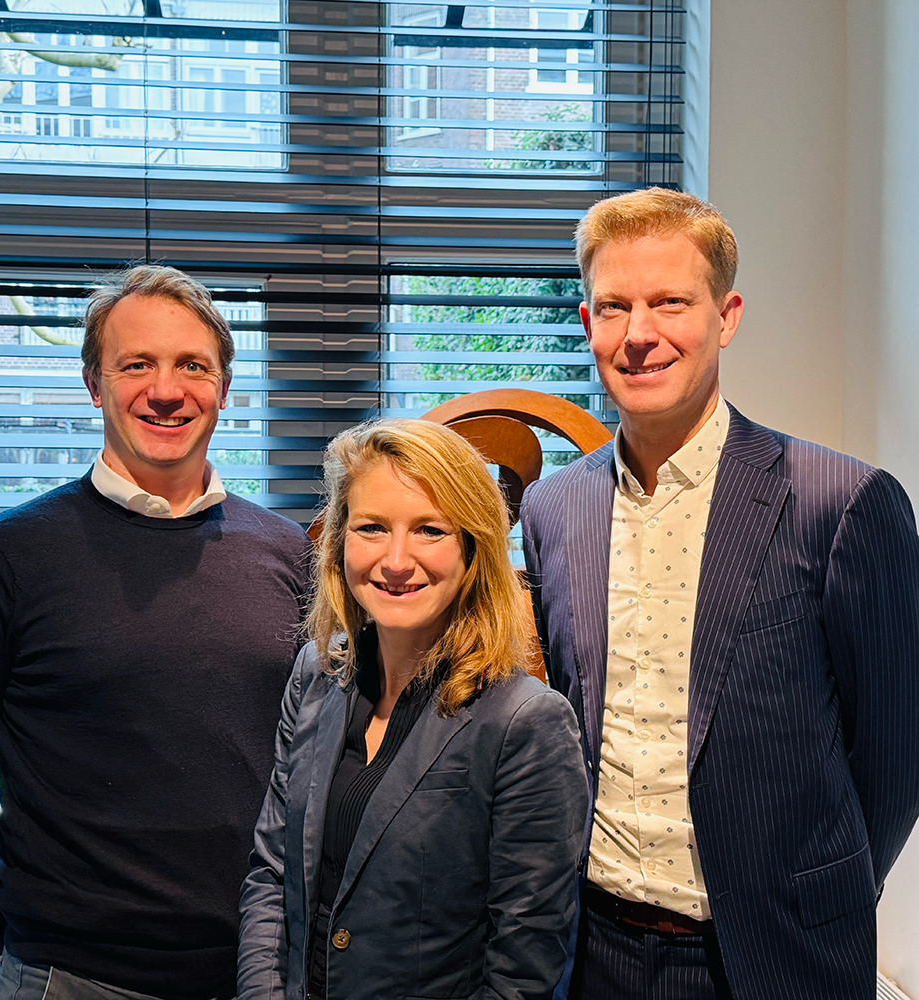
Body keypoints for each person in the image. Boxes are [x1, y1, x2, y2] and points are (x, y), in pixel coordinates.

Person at [520, 188, 919, 1000]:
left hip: (777, 960)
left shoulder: (840, 504)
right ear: (587, 322)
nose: (639, 334)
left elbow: (895, 756)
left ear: (727, 316)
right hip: (592, 956)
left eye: (671, 302)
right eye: (613, 306)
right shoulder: (551, 510)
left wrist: (820, 896)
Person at [0, 265, 311, 1000]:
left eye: (192, 365)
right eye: (136, 365)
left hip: (262, 978)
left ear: (225, 387)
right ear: (94, 385)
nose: (166, 390)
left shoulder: (292, 555)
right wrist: (28, 926)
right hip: (73, 981)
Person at [237, 418, 588, 1000]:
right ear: (339, 543)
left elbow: (521, 972)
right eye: (372, 527)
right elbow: (273, 873)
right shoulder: (315, 673)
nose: (396, 560)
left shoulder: (525, 724)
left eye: (429, 530)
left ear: (473, 549)